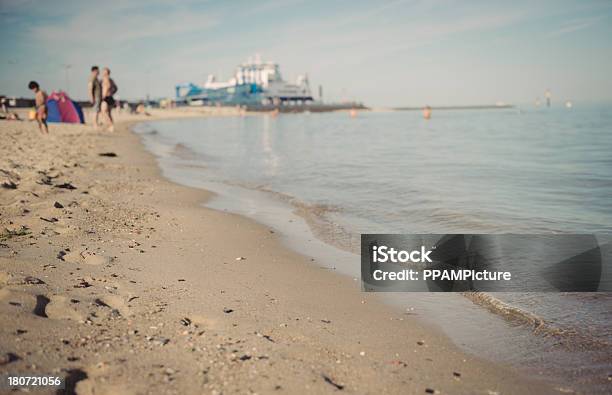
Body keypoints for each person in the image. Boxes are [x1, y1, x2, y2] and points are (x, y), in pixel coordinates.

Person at [101, 67, 117, 132]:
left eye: (104, 72)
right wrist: (112, 92)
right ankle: (111, 126)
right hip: (110, 97)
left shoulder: (105, 79)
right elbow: (116, 88)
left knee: (104, 112)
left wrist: (104, 95)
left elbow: (107, 87)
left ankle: (110, 125)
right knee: (109, 113)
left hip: (106, 97)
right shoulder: (111, 80)